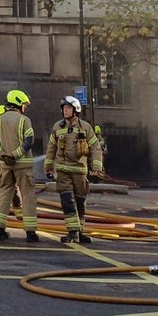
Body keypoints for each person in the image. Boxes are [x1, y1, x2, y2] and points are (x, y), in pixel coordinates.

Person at [44, 95, 104, 244]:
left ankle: (79, 231)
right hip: (63, 172)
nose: (65, 111)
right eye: (64, 109)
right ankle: (72, 232)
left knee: (80, 202)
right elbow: (51, 148)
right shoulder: (58, 127)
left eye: (68, 108)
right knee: (67, 201)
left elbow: (96, 147)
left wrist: (96, 167)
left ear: (76, 110)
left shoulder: (85, 127)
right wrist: (48, 167)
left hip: (79, 171)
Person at [0, 89, 38, 242]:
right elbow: (29, 141)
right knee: (28, 196)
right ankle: (30, 232)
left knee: (4, 195)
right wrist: (15, 155)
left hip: (5, 165)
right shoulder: (24, 120)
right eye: (24, 104)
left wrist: (2, 155)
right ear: (18, 103)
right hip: (22, 166)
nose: (25, 107)